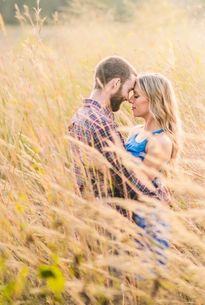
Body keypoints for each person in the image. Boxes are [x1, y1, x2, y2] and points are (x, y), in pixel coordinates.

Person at [68, 56, 168, 209]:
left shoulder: (79, 116)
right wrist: (162, 197)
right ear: (115, 84)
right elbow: (129, 185)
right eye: (129, 91)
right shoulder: (102, 123)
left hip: (86, 214)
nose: (128, 99)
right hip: (107, 220)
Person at [125, 72, 182, 265]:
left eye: (137, 96)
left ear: (154, 100)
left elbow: (139, 181)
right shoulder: (135, 131)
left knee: (146, 278)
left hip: (149, 218)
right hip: (131, 211)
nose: (130, 99)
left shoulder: (162, 141)